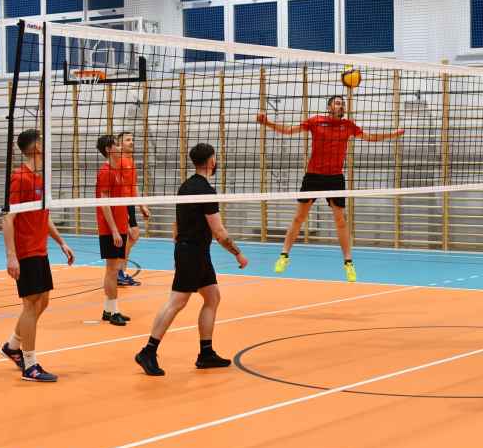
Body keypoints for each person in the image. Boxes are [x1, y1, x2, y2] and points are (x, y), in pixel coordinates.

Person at [256, 96, 404, 282]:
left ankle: (348, 263)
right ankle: (284, 255)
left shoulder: (348, 125)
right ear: (329, 107)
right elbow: (288, 130)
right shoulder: (316, 121)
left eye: (342, 104)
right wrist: (267, 123)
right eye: (337, 103)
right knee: (299, 218)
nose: (341, 106)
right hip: (313, 176)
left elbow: (370, 138)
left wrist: (392, 135)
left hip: (335, 178)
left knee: (340, 220)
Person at [134, 143, 248, 376]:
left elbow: (176, 223)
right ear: (211, 161)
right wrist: (237, 253)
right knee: (176, 302)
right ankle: (148, 351)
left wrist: (180, 247)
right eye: (215, 158)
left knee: (212, 297)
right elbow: (219, 232)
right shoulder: (205, 190)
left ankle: (206, 353)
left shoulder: (185, 186)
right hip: (193, 252)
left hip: (193, 251)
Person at [0, 129, 75, 382]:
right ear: (36, 149)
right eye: (43, 143)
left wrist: (62, 242)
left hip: (40, 250)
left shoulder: (39, 179)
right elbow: (7, 219)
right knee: (31, 304)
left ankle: (12, 346)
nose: (46, 146)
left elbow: (44, 216)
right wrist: (12, 256)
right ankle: (30, 365)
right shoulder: (20, 178)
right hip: (26, 251)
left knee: (43, 301)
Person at [95, 134, 131, 326]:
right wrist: (115, 230)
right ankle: (114, 311)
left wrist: (125, 221)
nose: (120, 147)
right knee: (111, 270)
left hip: (120, 225)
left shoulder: (118, 170)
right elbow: (104, 203)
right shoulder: (106, 172)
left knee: (113, 269)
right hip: (110, 229)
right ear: (108, 149)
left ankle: (108, 311)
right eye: (116, 145)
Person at [116, 131, 151, 287]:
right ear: (119, 144)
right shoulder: (119, 162)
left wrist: (141, 205)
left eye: (132, 139)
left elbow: (133, 185)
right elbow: (117, 187)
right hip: (122, 203)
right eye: (127, 140)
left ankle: (121, 271)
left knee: (133, 235)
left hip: (129, 202)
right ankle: (119, 271)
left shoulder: (131, 160)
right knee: (131, 235)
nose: (131, 142)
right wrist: (122, 209)